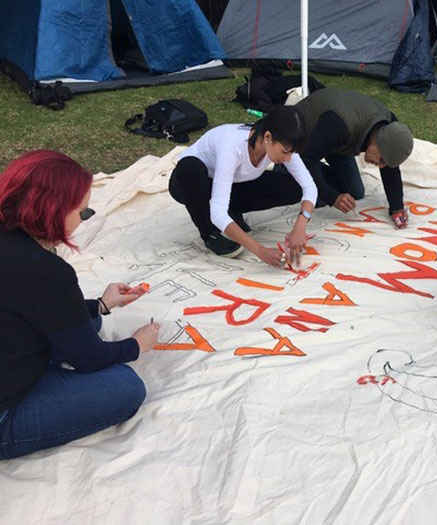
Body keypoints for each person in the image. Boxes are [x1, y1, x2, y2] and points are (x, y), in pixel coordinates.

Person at [0, 150, 160, 460]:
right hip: (6, 405)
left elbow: (26, 305)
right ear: (52, 209)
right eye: (82, 212)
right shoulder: (43, 268)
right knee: (125, 388)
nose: (83, 221)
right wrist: (136, 345)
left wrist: (100, 304)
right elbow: (90, 358)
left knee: (92, 322)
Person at [168, 106, 318, 266]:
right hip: (190, 184)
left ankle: (233, 210)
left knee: (291, 187)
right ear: (268, 137)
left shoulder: (281, 145)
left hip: (231, 184)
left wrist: (300, 225)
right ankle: (209, 234)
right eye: (285, 152)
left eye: (291, 153)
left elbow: (309, 187)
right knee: (190, 167)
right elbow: (217, 213)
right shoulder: (231, 146)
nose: (288, 159)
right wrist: (261, 251)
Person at [294, 87, 414, 229]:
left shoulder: (390, 126)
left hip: (335, 139)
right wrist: (332, 197)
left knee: (354, 191)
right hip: (302, 135)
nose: (381, 166)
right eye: (382, 160)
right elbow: (304, 158)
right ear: (378, 142)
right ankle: (285, 169)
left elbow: (390, 169)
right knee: (316, 198)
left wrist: (396, 208)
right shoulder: (340, 127)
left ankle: (317, 168)